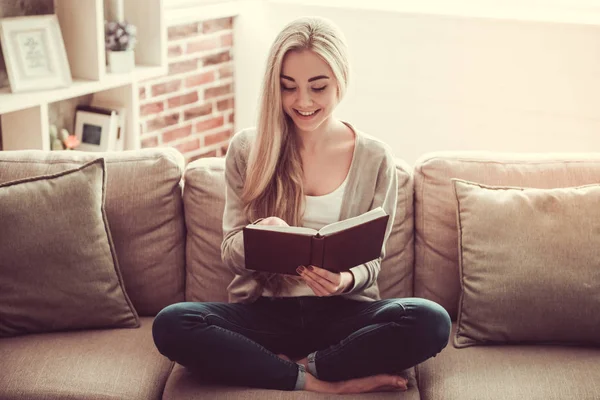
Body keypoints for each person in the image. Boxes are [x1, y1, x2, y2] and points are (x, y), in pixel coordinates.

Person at [152, 16, 451, 394]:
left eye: (318, 87)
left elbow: (372, 262)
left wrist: (344, 279)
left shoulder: (375, 157)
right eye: (288, 87)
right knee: (172, 324)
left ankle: (290, 367)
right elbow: (230, 252)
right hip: (265, 314)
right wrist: (259, 238)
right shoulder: (248, 149)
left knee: (431, 320)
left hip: (344, 315)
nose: (303, 101)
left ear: (340, 80)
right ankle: (323, 382)